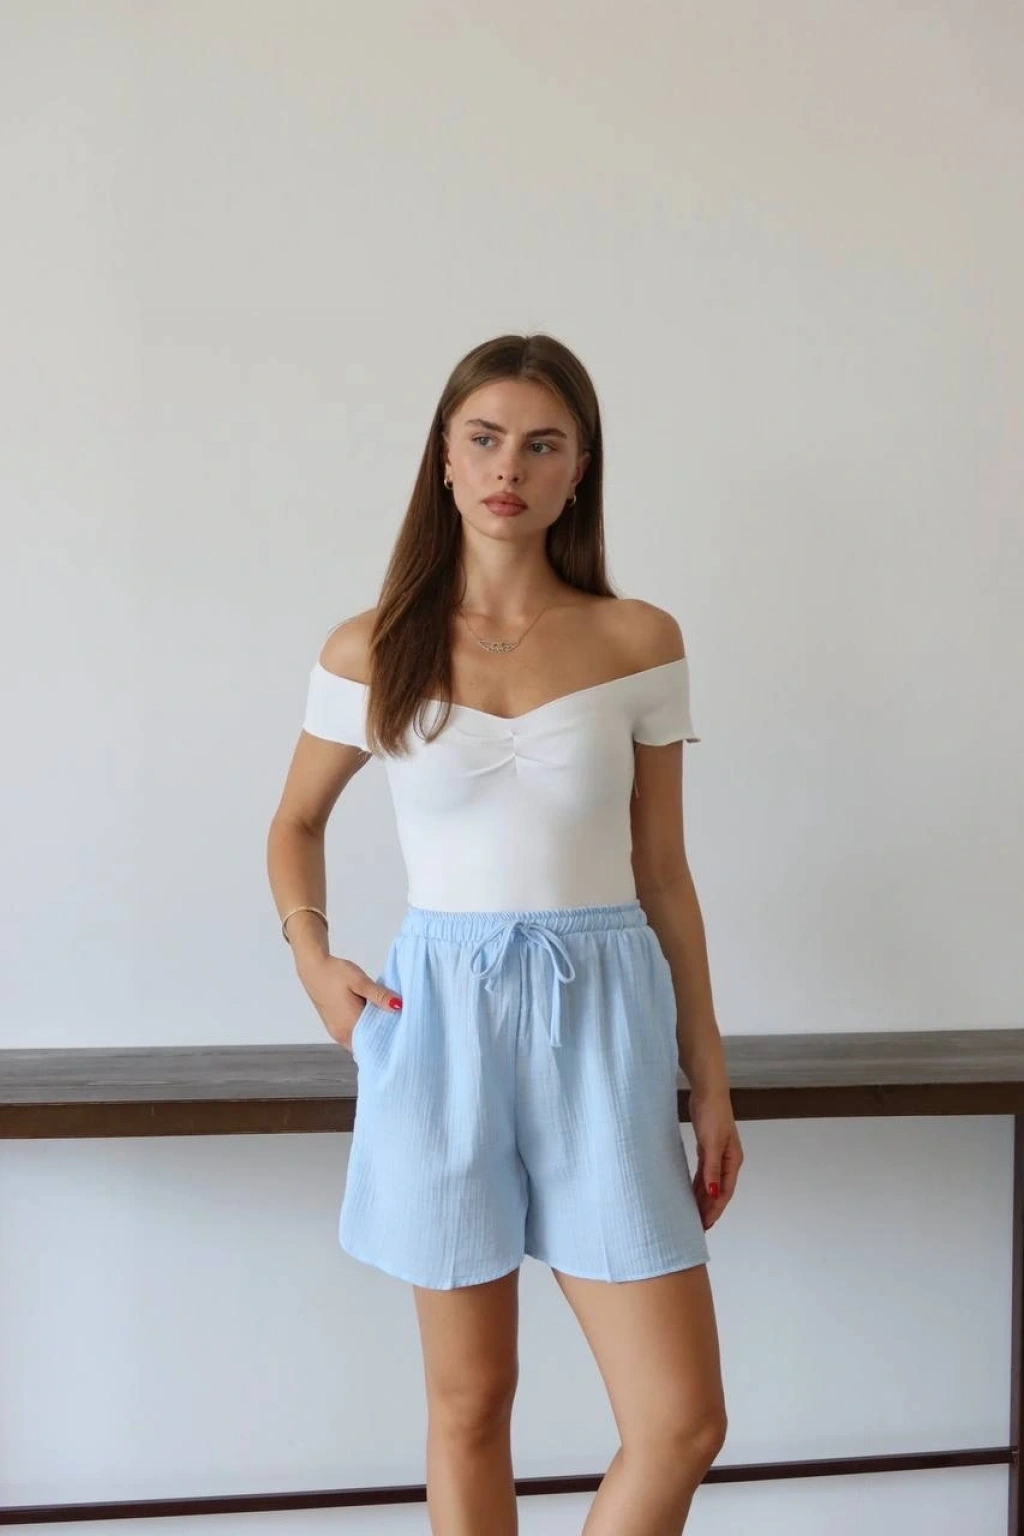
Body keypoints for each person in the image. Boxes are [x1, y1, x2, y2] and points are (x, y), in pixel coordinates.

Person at [267, 332, 743, 1535]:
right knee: (470, 1404)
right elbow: (295, 822)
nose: (507, 468)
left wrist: (710, 1079)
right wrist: (315, 961)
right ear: (443, 455)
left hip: (605, 1018)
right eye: (483, 439)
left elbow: (664, 874)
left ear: (579, 470)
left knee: (680, 1421)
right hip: (439, 1023)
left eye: (541, 445)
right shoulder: (370, 646)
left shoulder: (637, 640)